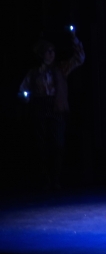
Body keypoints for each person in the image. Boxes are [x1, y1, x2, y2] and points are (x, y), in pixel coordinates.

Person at [18, 29, 85, 191]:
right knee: (41, 146)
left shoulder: (61, 68)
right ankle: (45, 180)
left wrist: (74, 38)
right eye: (48, 51)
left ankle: (56, 179)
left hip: (57, 108)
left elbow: (79, 59)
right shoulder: (34, 73)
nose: (51, 54)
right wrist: (26, 97)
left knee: (58, 144)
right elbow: (22, 90)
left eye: (53, 51)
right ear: (41, 54)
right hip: (40, 109)